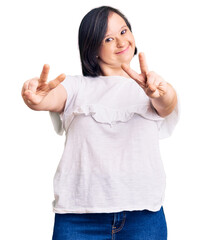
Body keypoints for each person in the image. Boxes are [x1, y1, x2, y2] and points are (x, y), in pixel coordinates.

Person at [21, 6, 179, 240]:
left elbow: (168, 104)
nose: (120, 41)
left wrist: (159, 93)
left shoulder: (152, 86)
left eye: (124, 31)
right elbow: (50, 99)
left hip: (144, 216)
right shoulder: (76, 87)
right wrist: (37, 98)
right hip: (78, 218)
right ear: (93, 49)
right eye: (108, 38)